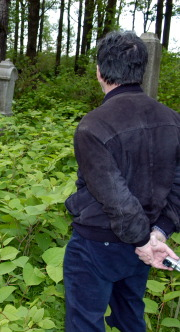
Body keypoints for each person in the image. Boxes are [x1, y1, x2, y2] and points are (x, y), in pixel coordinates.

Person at [63, 31, 180, 332]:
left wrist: (145, 241)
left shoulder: (93, 126)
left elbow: (116, 198)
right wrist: (159, 232)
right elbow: (177, 186)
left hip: (97, 243)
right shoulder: (172, 119)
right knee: (131, 318)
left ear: (99, 72)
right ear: (140, 70)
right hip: (144, 240)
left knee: (84, 322)